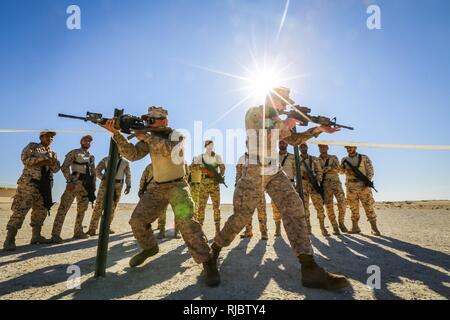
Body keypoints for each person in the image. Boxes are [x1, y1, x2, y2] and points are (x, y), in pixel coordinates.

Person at [211, 87, 349, 290]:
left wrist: (317, 130)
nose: (285, 106)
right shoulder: (254, 113)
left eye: (287, 104)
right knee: (241, 217)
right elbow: (263, 138)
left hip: (274, 171)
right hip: (255, 170)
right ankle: (212, 253)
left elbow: (293, 140)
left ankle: (309, 268)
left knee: (295, 207)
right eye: (283, 103)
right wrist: (288, 122)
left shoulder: (279, 118)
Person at [100, 106, 220, 287]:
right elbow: (132, 155)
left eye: (152, 120)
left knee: (186, 223)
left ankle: (208, 262)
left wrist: (145, 135)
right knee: (137, 221)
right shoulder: (148, 137)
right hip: (157, 187)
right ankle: (150, 248)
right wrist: (116, 133)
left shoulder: (177, 135)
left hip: (177, 186)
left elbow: (169, 151)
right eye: (148, 120)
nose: (149, 123)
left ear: (164, 120)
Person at [3, 131, 60, 251]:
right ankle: (9, 240)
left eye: (51, 137)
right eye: (47, 136)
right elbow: (25, 159)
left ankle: (36, 236)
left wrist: (53, 162)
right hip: (29, 183)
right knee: (20, 210)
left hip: (45, 186)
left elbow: (56, 169)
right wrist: (43, 160)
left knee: (41, 211)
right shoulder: (33, 147)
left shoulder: (53, 153)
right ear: (41, 137)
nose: (49, 138)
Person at [51, 135, 96, 243]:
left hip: (86, 185)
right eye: (85, 140)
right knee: (64, 207)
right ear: (81, 141)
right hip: (75, 182)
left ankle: (78, 231)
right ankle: (55, 234)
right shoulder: (74, 152)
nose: (87, 142)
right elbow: (64, 167)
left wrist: (93, 188)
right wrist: (69, 180)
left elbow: (93, 173)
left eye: (89, 141)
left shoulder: (91, 156)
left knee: (82, 209)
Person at [300, 143, 339, 236]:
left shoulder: (314, 159)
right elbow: (293, 171)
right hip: (303, 185)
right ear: (299, 148)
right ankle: (308, 228)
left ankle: (322, 228)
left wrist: (317, 181)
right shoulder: (296, 159)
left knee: (319, 207)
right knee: (304, 208)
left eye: (304, 146)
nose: (303, 148)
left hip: (314, 185)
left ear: (307, 148)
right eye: (301, 147)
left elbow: (319, 171)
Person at [87, 154, 131, 236]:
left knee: (112, 207)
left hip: (117, 186)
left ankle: (107, 227)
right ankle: (92, 228)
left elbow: (128, 174)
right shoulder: (106, 159)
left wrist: (128, 185)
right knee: (98, 206)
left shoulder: (125, 162)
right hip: (105, 184)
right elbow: (97, 170)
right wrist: (103, 178)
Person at [341, 146, 381, 236]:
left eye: (351, 147)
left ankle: (374, 228)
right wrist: (343, 169)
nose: (349, 149)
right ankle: (355, 227)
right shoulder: (344, 159)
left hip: (363, 186)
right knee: (353, 208)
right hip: (350, 187)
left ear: (355, 147)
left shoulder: (364, 157)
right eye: (347, 147)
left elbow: (370, 171)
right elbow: (341, 172)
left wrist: (367, 181)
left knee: (368, 207)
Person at [195, 140, 225, 236]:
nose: (210, 147)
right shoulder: (201, 157)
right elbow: (194, 167)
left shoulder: (217, 156)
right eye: (208, 145)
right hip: (203, 184)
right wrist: (203, 170)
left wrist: (219, 176)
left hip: (214, 184)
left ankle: (217, 230)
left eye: (211, 145)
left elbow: (223, 167)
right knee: (201, 207)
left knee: (216, 207)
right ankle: (199, 229)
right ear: (205, 146)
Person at [237, 151, 268, 240]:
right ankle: (248, 231)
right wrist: (238, 186)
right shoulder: (242, 159)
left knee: (261, 210)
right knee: (246, 212)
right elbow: (238, 173)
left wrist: (266, 184)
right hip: (246, 189)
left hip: (259, 188)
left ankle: (264, 232)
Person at [318, 144, 348, 233]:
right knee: (329, 206)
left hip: (336, 183)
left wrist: (331, 168)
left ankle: (341, 223)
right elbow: (317, 172)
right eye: (320, 147)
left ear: (327, 148)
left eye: (324, 147)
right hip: (325, 185)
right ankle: (335, 226)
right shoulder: (317, 160)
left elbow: (340, 170)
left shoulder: (333, 157)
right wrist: (324, 170)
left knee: (342, 202)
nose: (322, 148)